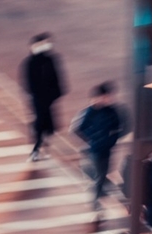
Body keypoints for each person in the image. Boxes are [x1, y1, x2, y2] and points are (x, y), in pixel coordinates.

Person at [73, 82, 126, 212]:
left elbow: (119, 127)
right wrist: (92, 138)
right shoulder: (91, 111)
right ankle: (95, 202)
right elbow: (78, 128)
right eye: (107, 96)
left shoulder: (112, 111)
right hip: (95, 149)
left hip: (107, 149)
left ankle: (100, 193)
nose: (110, 98)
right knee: (100, 176)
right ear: (101, 96)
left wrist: (112, 140)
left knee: (102, 175)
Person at [22, 33, 65, 162]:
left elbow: (57, 77)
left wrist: (56, 93)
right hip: (38, 98)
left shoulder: (51, 59)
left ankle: (42, 146)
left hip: (49, 98)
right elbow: (29, 83)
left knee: (48, 125)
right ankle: (36, 149)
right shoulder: (30, 62)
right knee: (41, 123)